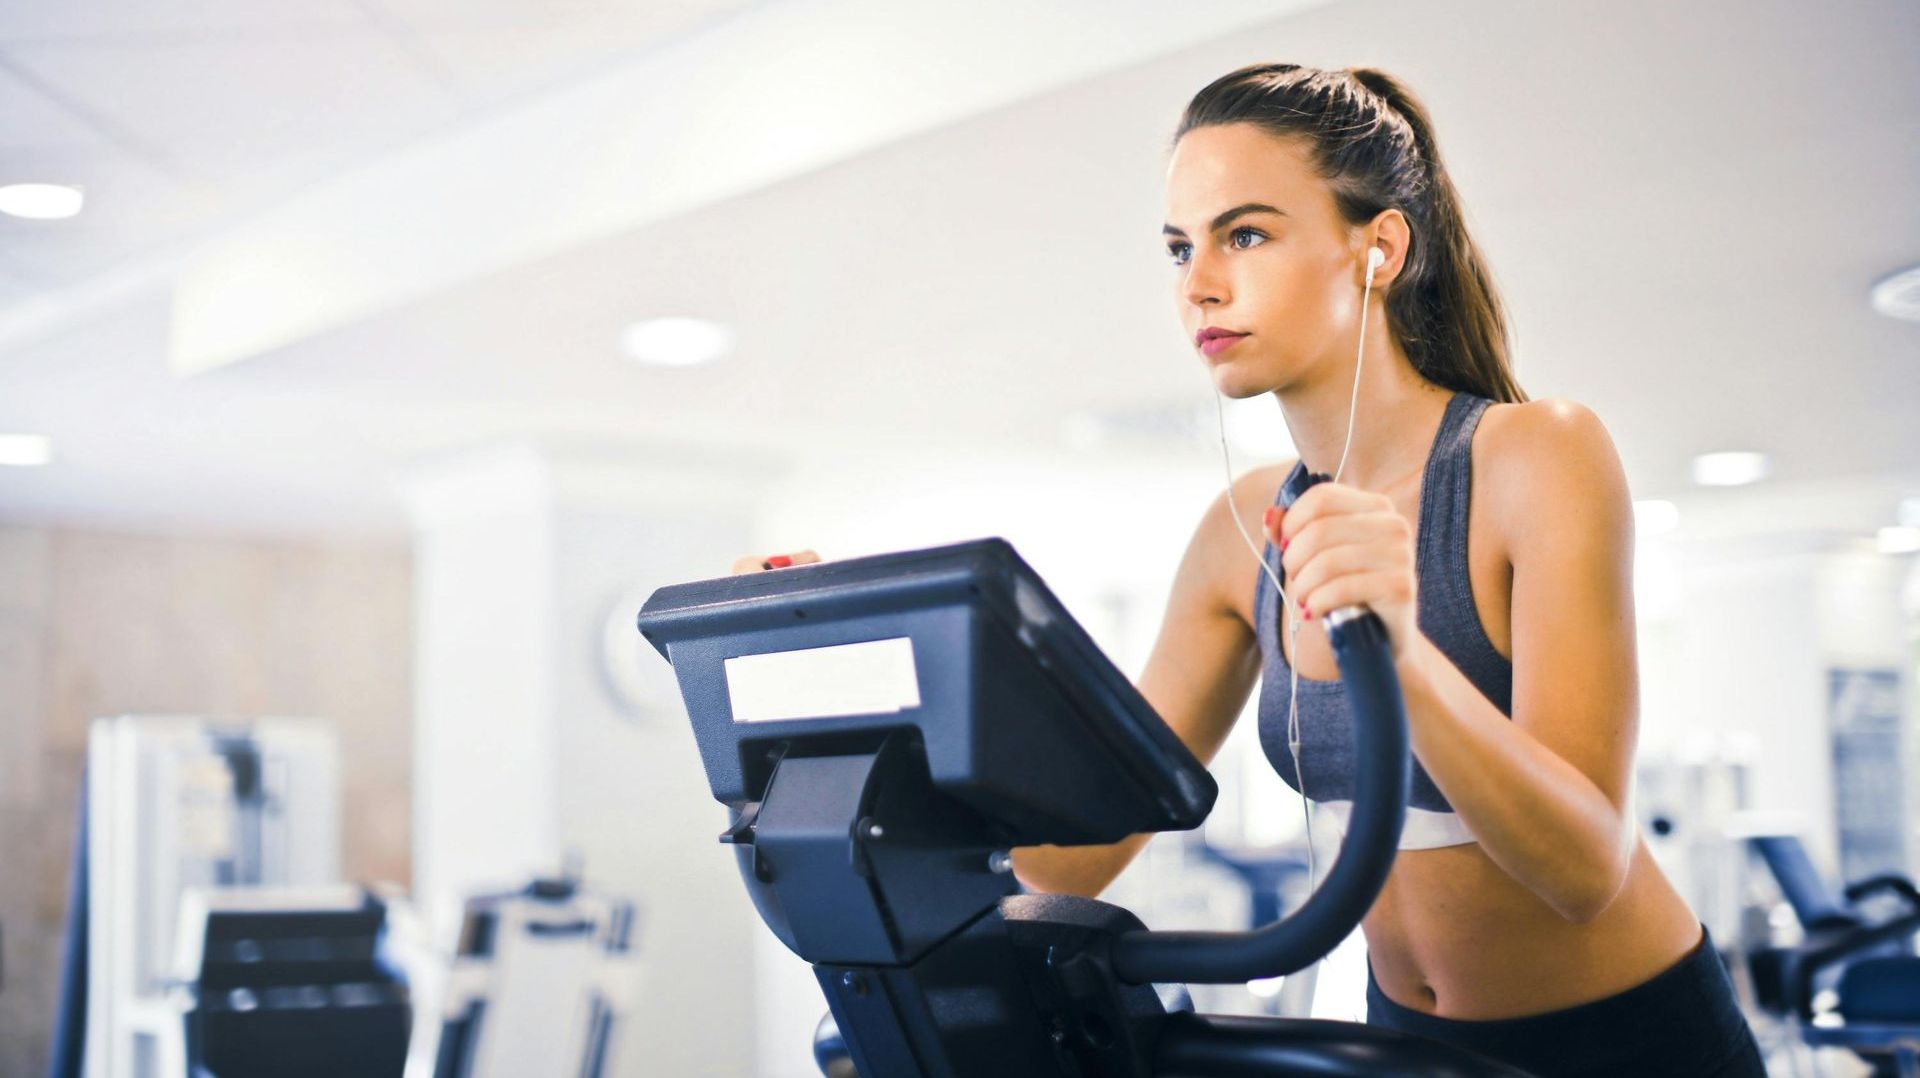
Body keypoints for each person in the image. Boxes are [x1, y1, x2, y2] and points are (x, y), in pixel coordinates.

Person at [737, 63, 1766, 1078]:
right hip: (1405, 1043)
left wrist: (1400, 650)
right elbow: (1084, 849)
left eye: (1246, 233)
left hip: (1632, 1038)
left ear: (1379, 248)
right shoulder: (1242, 533)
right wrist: (827, 726)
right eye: (1181, 246)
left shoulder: (1533, 455)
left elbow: (1587, 869)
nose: (1199, 283)